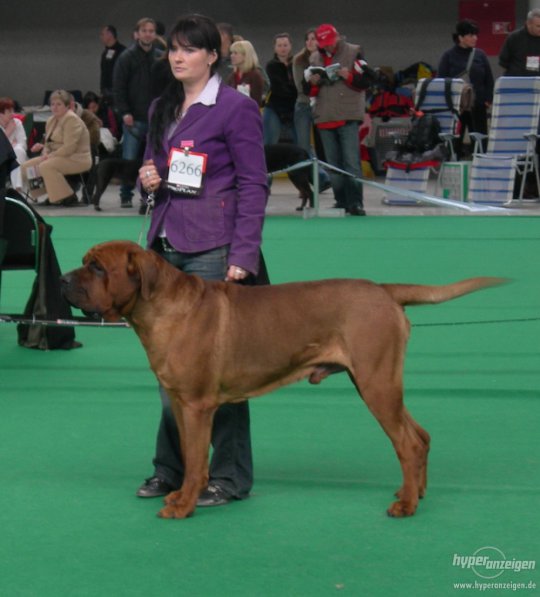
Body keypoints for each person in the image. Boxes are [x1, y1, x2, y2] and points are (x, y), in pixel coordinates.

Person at [135, 14, 268, 507]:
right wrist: (148, 175)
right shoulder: (160, 106)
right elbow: (157, 170)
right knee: (172, 372)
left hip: (215, 250)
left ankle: (230, 477)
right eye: (173, 48)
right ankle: (170, 470)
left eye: (189, 49)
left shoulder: (234, 108)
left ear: (213, 56)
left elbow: (254, 183)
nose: (177, 56)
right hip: (164, 248)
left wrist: (243, 255)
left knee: (221, 374)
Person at [307, 24, 370, 216]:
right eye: (324, 44)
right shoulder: (314, 58)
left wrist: (348, 76)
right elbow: (307, 91)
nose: (328, 47)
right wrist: (313, 83)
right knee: (333, 164)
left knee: (351, 162)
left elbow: (366, 82)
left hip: (348, 116)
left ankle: (356, 203)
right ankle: (341, 201)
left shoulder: (355, 51)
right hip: (324, 117)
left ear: (337, 38)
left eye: (330, 42)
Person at [113, 17, 162, 208]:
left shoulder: (160, 57)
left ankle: (149, 195)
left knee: (153, 160)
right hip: (133, 117)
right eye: (144, 30)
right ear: (137, 34)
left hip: (156, 118)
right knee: (129, 158)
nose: (148, 34)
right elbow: (118, 87)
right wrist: (124, 111)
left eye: (151, 30)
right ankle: (126, 193)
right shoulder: (126, 57)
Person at [21, 90, 91, 206]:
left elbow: (69, 147)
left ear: (67, 106)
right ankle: (49, 194)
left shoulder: (72, 119)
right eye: (53, 104)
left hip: (77, 158)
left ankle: (68, 197)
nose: (55, 107)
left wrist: (49, 156)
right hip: (57, 156)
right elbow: (48, 143)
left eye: (59, 104)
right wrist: (45, 153)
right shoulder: (51, 120)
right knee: (26, 166)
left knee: (46, 166)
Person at [438, 19, 494, 156]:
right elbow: (441, 81)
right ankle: (453, 164)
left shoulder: (480, 55)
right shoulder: (448, 56)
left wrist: (488, 99)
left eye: (476, 35)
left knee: (480, 139)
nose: (475, 38)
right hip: (457, 106)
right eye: (471, 35)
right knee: (455, 139)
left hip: (478, 104)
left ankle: (481, 166)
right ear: (460, 37)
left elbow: (489, 79)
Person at [292, 29, 331, 190]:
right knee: (304, 146)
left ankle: (325, 177)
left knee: (325, 145)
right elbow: (300, 86)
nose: (310, 42)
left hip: (322, 106)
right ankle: (320, 178)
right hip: (303, 105)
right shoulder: (299, 60)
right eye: (307, 39)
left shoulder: (326, 59)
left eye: (313, 39)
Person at [263, 33, 297, 144]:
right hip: (275, 106)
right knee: (270, 140)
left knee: (297, 140)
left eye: (285, 45)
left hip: (294, 107)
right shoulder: (271, 66)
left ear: (290, 46)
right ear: (275, 48)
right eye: (280, 45)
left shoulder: (297, 63)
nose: (283, 48)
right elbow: (278, 87)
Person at [499, 8, 540, 76]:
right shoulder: (514, 38)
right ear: (528, 24)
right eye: (538, 26)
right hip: (517, 82)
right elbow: (503, 63)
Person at [0, 97, 27, 192]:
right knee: (15, 150)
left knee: (18, 150)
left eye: (13, 111)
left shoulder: (17, 123)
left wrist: (9, 147)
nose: (13, 114)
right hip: (2, 160)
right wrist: (8, 132)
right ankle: (17, 188)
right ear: (1, 114)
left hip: (16, 158)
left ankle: (17, 188)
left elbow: (23, 144)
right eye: (9, 112)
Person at [227, 40, 266, 105]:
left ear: (245, 55)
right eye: (231, 53)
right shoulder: (232, 77)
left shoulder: (255, 76)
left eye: (235, 53)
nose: (232, 56)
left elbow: (256, 101)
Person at [99, 25, 126, 105]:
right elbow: (103, 73)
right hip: (106, 92)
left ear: (109, 34)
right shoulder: (105, 53)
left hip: (118, 91)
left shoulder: (123, 52)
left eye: (102, 34)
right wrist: (102, 90)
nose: (101, 37)